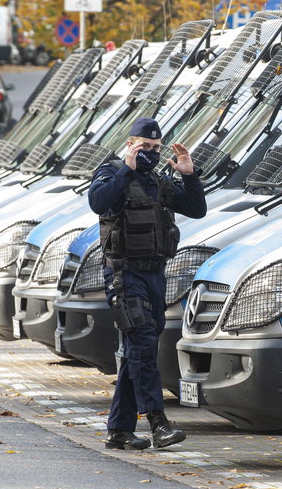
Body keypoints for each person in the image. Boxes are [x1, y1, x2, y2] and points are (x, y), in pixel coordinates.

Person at [88, 117, 207, 450]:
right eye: (144, 146)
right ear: (130, 143)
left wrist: (188, 174)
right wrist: (127, 168)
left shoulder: (156, 181)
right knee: (140, 344)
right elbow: (98, 202)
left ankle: (119, 430)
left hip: (155, 275)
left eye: (156, 148)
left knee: (137, 352)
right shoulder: (111, 172)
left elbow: (196, 209)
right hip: (124, 275)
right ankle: (158, 422)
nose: (151, 153)